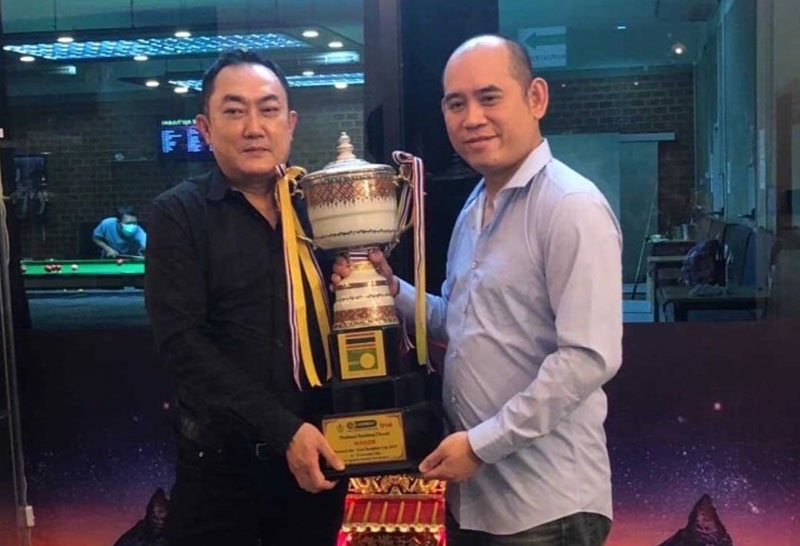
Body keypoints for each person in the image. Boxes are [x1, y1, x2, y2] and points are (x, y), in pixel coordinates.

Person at [333, 35, 622, 545]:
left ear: (536, 98)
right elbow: (461, 323)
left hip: (547, 509)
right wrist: (389, 289)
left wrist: (481, 445)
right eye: (455, 104)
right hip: (476, 500)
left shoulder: (571, 206)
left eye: (489, 98)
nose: (472, 118)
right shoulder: (475, 206)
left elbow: (587, 358)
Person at [144, 49, 346, 546]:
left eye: (268, 109)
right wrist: (283, 430)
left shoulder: (322, 209)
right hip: (218, 473)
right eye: (234, 111)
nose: (254, 127)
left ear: (290, 123)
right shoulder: (178, 214)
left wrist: (365, 282)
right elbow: (182, 344)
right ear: (206, 128)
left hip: (317, 466)